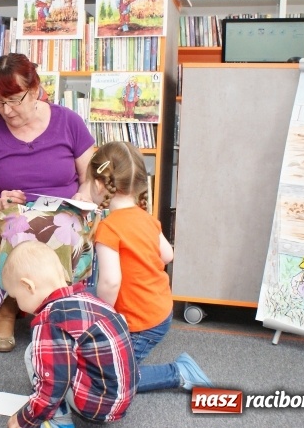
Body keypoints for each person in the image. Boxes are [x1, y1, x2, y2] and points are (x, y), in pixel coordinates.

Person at [0, 53, 95, 352]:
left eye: (13, 100)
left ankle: (59, 311)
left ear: (34, 91)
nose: (6, 111)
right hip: (9, 215)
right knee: (21, 228)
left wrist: (84, 193)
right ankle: (8, 308)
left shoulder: (68, 122)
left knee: (64, 228)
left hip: (63, 211)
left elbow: (90, 178)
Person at [86, 141, 211, 393]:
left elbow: (110, 282)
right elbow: (167, 255)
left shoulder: (108, 228)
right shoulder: (147, 218)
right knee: (98, 367)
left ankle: (178, 373)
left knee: (109, 382)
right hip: (159, 311)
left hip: (140, 323)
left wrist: (99, 320)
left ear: (99, 185)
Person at [2, 240, 137, 428]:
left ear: (28, 287)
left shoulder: (49, 320)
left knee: (34, 352)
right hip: (121, 398)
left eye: (15, 297)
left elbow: (52, 383)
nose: (17, 304)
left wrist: (25, 419)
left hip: (95, 405)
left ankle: (59, 420)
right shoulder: (90, 299)